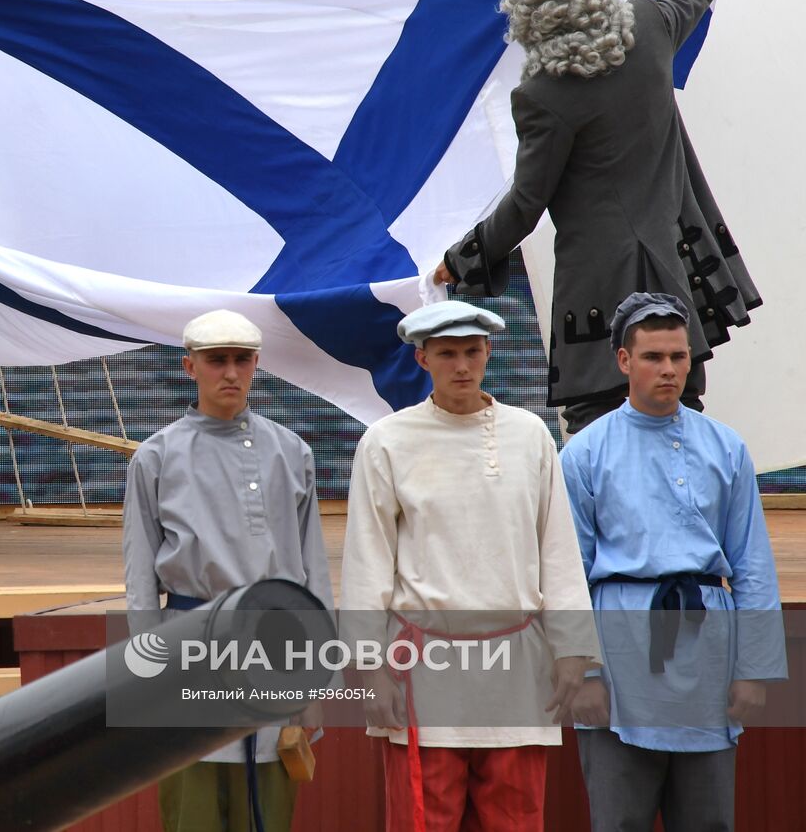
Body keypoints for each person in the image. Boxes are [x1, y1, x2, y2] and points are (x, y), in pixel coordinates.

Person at [436, 0, 757, 434]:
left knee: (597, 435)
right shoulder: (648, 25)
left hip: (598, 292)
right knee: (677, 421)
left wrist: (462, 258)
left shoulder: (542, 95)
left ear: (526, 17)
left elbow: (525, 204)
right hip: (675, 266)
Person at [339, 301, 598, 832]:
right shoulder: (387, 441)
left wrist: (573, 649)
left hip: (518, 667)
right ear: (422, 358)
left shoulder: (530, 436)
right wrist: (369, 669)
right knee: (423, 820)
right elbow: (368, 558)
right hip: (423, 670)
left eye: (472, 352)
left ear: (488, 353)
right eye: (447, 354)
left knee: (515, 819)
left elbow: (558, 548)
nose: (462, 366)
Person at [562, 292, 786, 832]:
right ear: (624, 361)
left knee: (708, 822)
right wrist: (584, 673)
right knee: (619, 822)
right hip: (619, 657)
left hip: (706, 653)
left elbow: (752, 564)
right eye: (652, 357)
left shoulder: (725, 448)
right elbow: (567, 573)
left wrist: (753, 668)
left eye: (678, 357)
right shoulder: (585, 453)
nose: (668, 369)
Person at [123, 308, 331, 832]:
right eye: (217, 361)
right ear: (190, 367)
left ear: (257, 363)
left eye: (242, 360)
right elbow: (140, 579)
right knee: (191, 811)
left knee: (269, 812)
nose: (231, 374)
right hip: (188, 649)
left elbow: (314, 572)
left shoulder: (292, 452)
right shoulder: (156, 457)